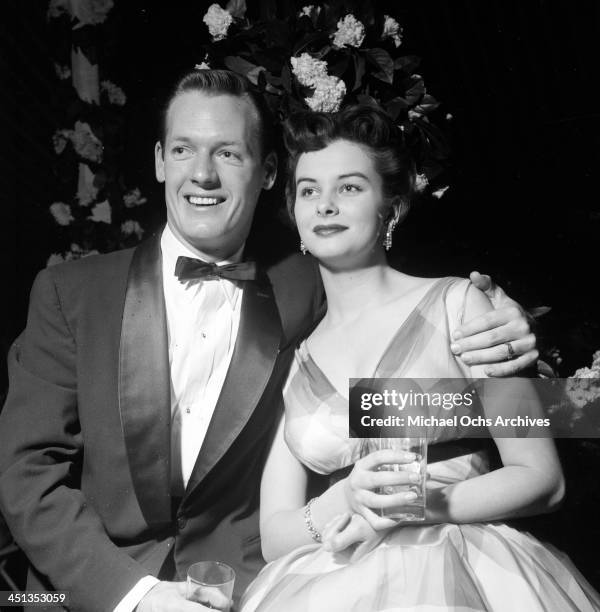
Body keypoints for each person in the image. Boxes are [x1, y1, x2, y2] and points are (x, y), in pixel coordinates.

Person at [0, 70, 536, 612]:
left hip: (251, 591)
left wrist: (507, 332)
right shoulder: (71, 293)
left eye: (229, 154)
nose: (202, 174)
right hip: (87, 592)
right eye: (184, 149)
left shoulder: (309, 288)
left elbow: (430, 384)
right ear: (161, 160)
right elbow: (26, 476)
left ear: (266, 172)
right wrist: (136, 597)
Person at [240, 105, 600, 611]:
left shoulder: (459, 305)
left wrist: (410, 504)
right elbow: (276, 536)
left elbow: (542, 477)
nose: (324, 205)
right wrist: (342, 500)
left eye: (349, 187)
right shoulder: (299, 358)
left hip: (465, 569)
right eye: (308, 190)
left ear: (393, 207)